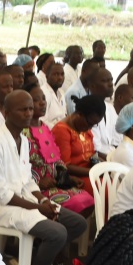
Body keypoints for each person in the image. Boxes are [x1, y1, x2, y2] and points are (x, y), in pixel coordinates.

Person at [0, 91, 88, 265]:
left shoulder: (23, 140)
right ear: (7, 112)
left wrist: (43, 201)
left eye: (30, 108)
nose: (29, 113)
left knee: (77, 223)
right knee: (58, 232)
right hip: (2, 208)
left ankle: (29, 261)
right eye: (23, 109)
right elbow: (0, 194)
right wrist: (37, 206)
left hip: (25, 200)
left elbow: (27, 181)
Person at [24, 85, 94, 215]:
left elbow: (56, 159)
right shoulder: (22, 133)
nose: (42, 103)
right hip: (37, 189)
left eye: (44, 99)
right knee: (77, 203)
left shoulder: (44, 128)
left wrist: (68, 177)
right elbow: (19, 167)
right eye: (36, 100)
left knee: (88, 199)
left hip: (54, 183)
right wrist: (38, 182)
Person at [52, 94, 107, 195]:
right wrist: (94, 171)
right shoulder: (62, 130)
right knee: (107, 191)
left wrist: (106, 164)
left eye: (94, 125)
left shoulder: (84, 127)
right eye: (90, 123)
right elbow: (64, 166)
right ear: (79, 114)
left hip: (90, 172)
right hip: (75, 178)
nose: (90, 128)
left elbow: (91, 154)